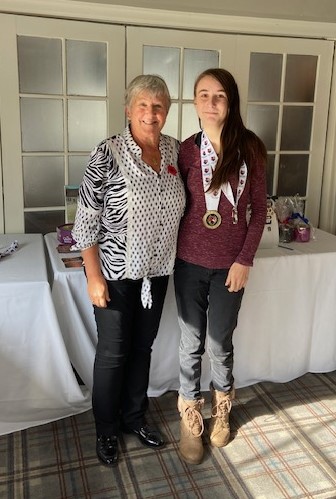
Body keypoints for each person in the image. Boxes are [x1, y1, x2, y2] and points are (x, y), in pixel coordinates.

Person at [72, 74, 186, 467]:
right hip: (115, 274)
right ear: (128, 109)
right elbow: (85, 223)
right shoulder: (107, 152)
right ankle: (106, 430)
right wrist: (93, 276)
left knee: (142, 349)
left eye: (158, 106)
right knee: (113, 354)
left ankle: (133, 419)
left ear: (167, 112)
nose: (150, 114)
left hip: (156, 274)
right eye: (143, 105)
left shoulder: (173, 151)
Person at [174, 68, 267, 465]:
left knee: (219, 342)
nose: (211, 103)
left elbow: (259, 209)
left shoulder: (251, 149)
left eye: (219, 96)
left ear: (231, 103)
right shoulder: (185, 150)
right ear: (194, 102)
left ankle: (223, 405)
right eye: (203, 95)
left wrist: (244, 259)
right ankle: (190, 412)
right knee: (190, 342)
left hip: (231, 267)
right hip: (188, 263)